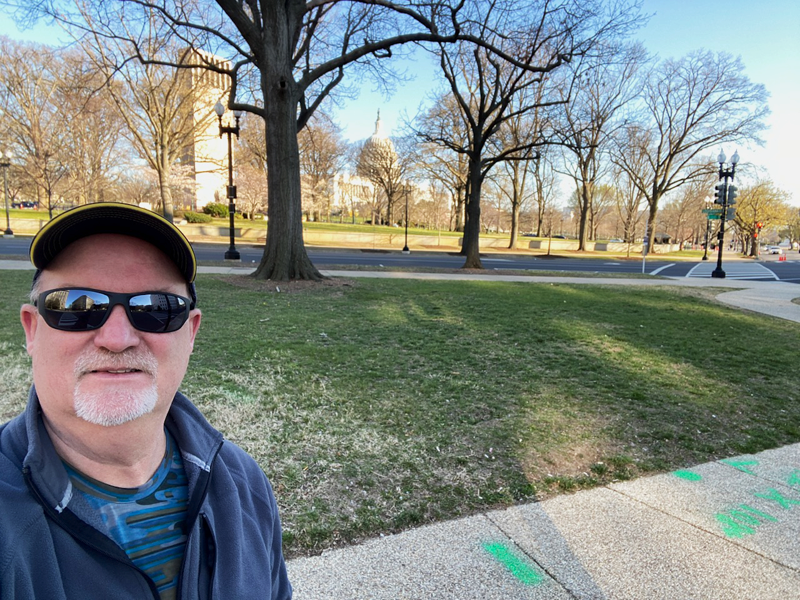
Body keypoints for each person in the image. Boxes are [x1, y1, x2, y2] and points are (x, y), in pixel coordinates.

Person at [0, 203, 292, 599]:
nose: (117, 338)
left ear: (191, 334)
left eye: (157, 309)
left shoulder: (243, 484)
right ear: (32, 330)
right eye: (76, 306)